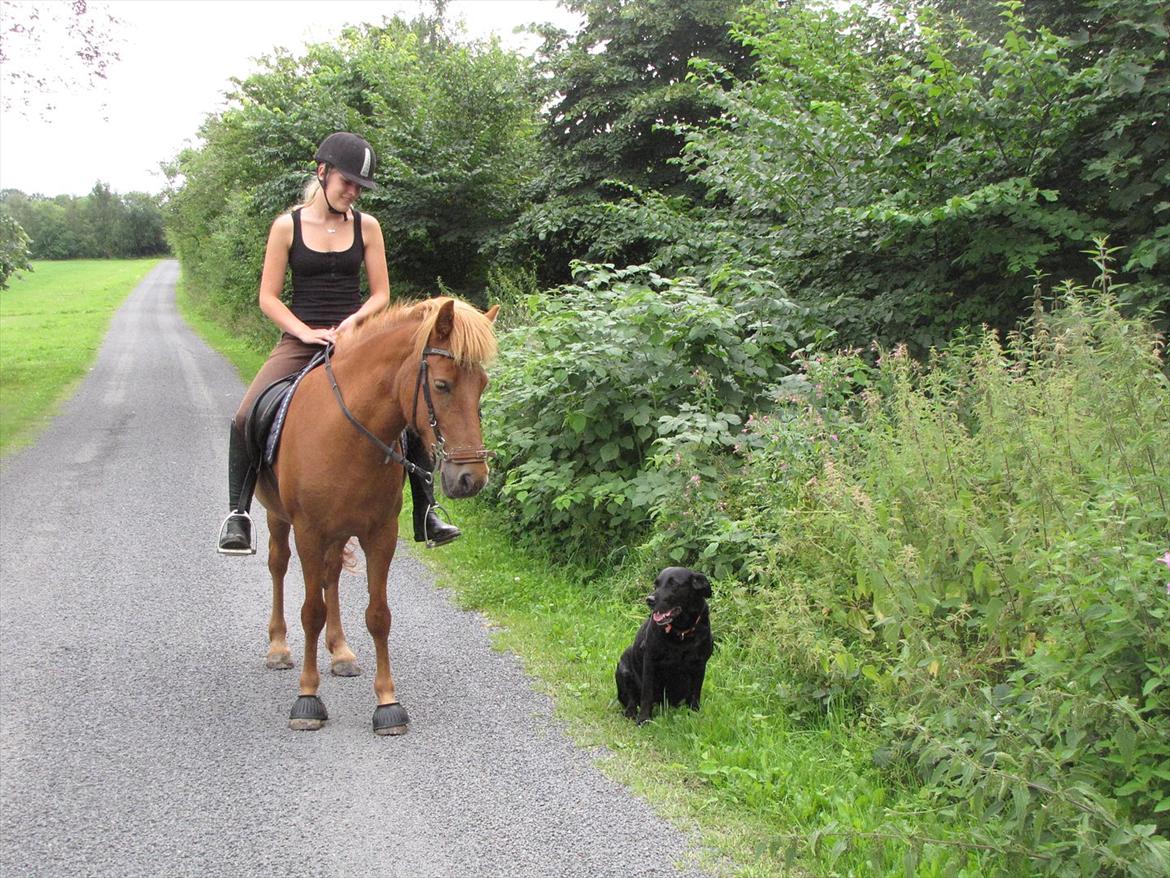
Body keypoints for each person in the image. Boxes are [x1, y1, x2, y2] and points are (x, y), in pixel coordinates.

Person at [217, 131, 460, 554]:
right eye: (346, 182)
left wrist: (354, 323)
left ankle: (426, 509)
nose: (352, 192)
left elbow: (381, 293)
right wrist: (304, 331)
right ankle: (238, 514)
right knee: (244, 415)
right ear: (322, 172)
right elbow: (268, 297)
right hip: (301, 338)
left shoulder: (368, 227)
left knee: (410, 407)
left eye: (359, 187)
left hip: (356, 340)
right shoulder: (286, 227)